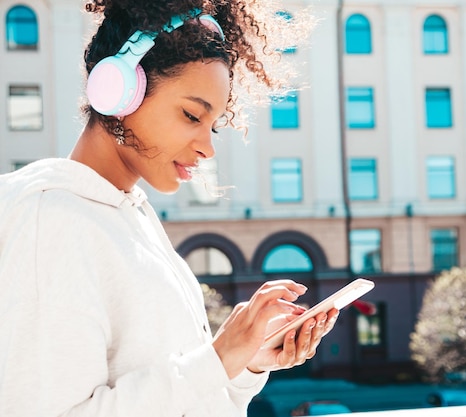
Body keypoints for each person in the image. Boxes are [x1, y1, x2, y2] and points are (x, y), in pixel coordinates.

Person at [0, 0, 339, 416]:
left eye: (212, 125)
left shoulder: (132, 219)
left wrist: (244, 363)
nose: (208, 146)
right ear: (119, 89)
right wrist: (216, 359)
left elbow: (191, 398)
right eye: (191, 114)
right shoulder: (51, 222)